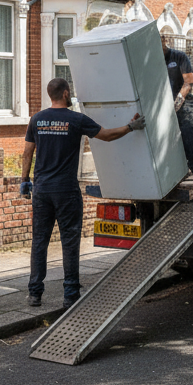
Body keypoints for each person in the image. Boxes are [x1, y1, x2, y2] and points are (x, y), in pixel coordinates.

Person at [21, 77, 145, 308]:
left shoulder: (36, 119)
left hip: (42, 191)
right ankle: (70, 295)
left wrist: (24, 181)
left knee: (39, 241)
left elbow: (27, 153)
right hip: (66, 191)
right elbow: (106, 135)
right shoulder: (76, 120)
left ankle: (35, 294)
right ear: (66, 93)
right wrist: (131, 127)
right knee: (69, 241)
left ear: (51, 95)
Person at [163, 42, 193, 188]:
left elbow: (188, 83)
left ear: (163, 41)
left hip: (183, 101)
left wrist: (176, 105)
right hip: (162, 104)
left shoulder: (179, 57)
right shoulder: (151, 60)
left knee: (189, 130)